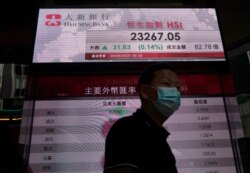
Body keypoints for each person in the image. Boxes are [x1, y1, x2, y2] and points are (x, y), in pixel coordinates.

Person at [103, 63, 181, 173]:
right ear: (145, 91)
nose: (175, 92)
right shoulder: (126, 129)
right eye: (166, 84)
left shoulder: (159, 138)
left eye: (177, 87)